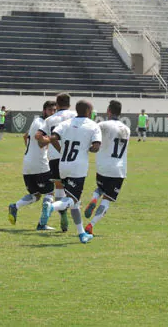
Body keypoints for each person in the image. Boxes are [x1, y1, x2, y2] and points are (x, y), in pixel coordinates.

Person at [39, 100, 102, 244]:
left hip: (63, 164)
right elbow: (96, 147)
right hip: (78, 167)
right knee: (72, 200)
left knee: (75, 202)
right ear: (88, 111)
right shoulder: (93, 125)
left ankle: (81, 234)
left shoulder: (66, 123)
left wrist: (51, 143)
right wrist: (89, 148)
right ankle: (51, 206)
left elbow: (54, 137)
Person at [8, 101, 57, 229]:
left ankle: (15, 206)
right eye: (50, 110)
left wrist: (33, 152)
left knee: (36, 195)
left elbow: (25, 136)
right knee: (50, 193)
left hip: (27, 163)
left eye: (54, 110)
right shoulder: (45, 124)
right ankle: (42, 224)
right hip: (40, 164)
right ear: (44, 110)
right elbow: (40, 140)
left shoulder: (36, 121)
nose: (53, 113)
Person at [84, 100, 130, 235]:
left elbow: (93, 140)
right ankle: (90, 225)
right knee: (107, 199)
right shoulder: (126, 129)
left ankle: (94, 198)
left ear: (108, 111)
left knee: (100, 188)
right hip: (118, 169)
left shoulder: (102, 125)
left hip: (102, 167)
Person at [35, 93, 76, 232]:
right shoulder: (75, 116)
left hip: (54, 158)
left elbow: (38, 137)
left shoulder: (50, 119)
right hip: (72, 157)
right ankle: (66, 217)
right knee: (72, 193)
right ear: (69, 104)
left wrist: (46, 142)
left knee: (59, 187)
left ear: (57, 105)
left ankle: (62, 215)